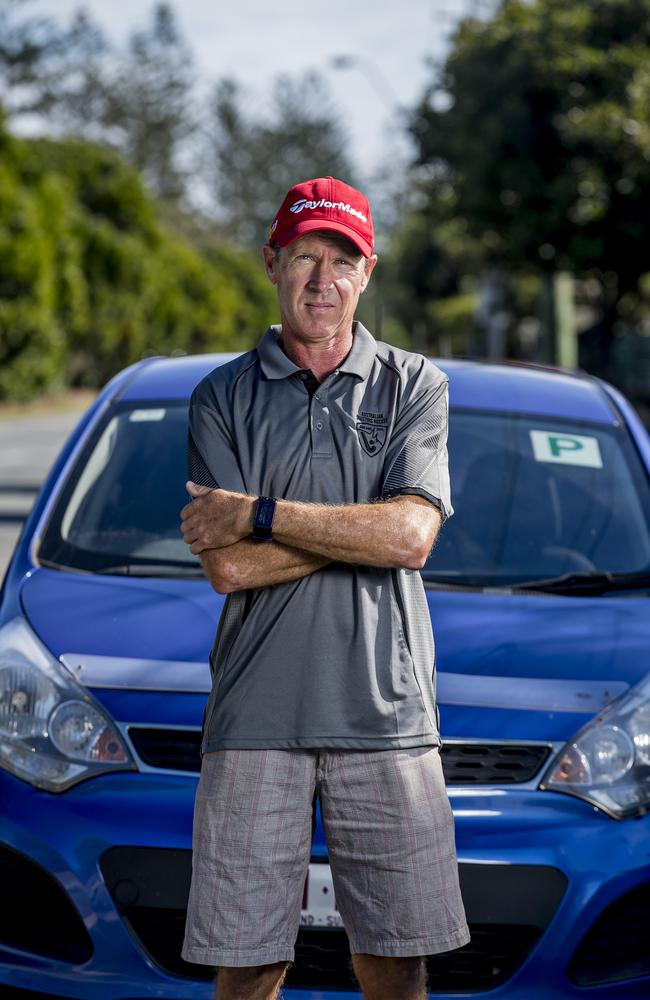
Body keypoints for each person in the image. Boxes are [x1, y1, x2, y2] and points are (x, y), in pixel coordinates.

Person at [180, 176, 469, 1000]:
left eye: (341, 260)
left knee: (395, 966)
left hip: (386, 715)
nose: (322, 279)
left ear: (367, 271)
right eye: (305, 256)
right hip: (253, 718)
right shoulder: (221, 397)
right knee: (248, 967)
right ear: (272, 263)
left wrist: (262, 512)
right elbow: (228, 567)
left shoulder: (414, 385)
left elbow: (412, 538)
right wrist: (368, 531)